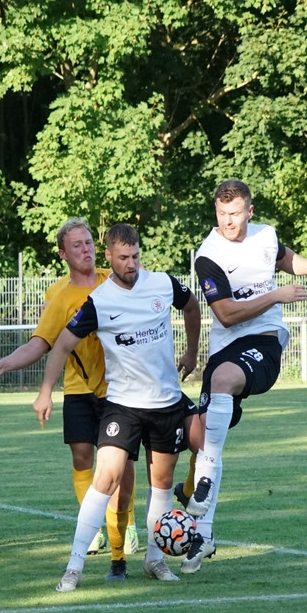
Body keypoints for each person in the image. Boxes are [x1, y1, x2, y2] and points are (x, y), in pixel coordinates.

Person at [178, 179, 307, 573]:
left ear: (249, 212)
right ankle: (203, 529)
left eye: (235, 214)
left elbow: (285, 259)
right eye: (222, 214)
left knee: (221, 385)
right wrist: (274, 295)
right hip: (226, 349)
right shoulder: (208, 255)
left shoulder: (265, 235)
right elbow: (226, 314)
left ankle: (200, 492)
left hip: (264, 344)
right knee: (200, 438)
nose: (228, 221)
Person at [32, 223, 203, 590]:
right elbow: (61, 345)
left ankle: (154, 560)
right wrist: (46, 391)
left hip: (166, 403)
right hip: (123, 405)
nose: (131, 264)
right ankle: (74, 567)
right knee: (106, 478)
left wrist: (191, 352)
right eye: (123, 257)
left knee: (161, 483)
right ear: (109, 256)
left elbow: (192, 307)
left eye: (136, 256)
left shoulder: (162, 284)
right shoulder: (100, 301)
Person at [0, 217, 140, 579]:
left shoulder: (115, 279)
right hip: (79, 389)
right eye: (77, 245)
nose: (86, 249)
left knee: (122, 469)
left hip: (120, 391)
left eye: (89, 242)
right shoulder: (59, 296)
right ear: (63, 254)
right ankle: (93, 527)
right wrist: (5, 364)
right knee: (83, 458)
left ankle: (125, 524)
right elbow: (41, 344)